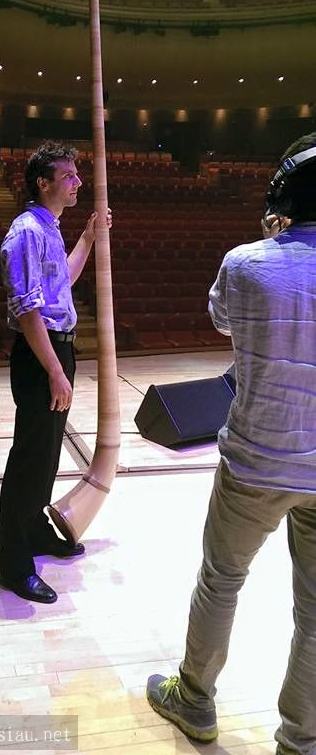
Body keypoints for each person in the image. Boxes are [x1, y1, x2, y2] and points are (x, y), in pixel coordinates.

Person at [146, 132, 316, 755]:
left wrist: (270, 239)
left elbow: (222, 318)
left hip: (254, 463)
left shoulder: (245, 263)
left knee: (221, 580)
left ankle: (194, 700)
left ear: (282, 196)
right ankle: (301, 740)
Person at [0, 140, 111, 604]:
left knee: (46, 457)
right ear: (43, 183)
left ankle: (34, 530)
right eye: (68, 175)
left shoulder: (49, 228)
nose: (78, 181)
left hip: (55, 354)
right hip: (39, 357)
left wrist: (88, 237)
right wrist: (54, 371)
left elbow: (62, 278)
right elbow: (28, 311)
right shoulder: (26, 231)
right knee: (30, 459)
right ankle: (13, 565)